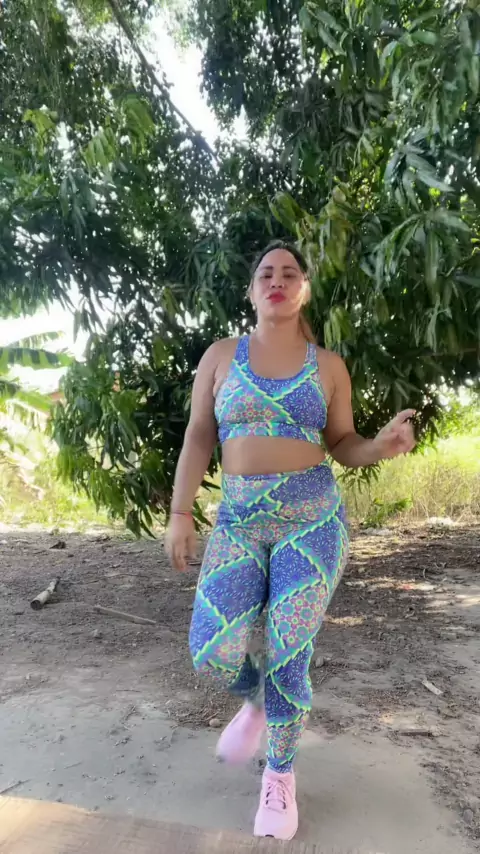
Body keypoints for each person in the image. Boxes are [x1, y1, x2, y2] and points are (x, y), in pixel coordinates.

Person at [165, 241, 416, 841]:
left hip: (312, 523)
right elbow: (199, 436)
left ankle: (279, 774)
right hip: (240, 521)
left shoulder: (328, 366)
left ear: (303, 289)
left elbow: (343, 443)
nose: (276, 280)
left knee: (288, 650)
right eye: (266, 274)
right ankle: (255, 700)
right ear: (252, 291)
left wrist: (379, 446)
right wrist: (180, 512)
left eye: (289, 273)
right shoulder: (220, 356)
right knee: (211, 649)